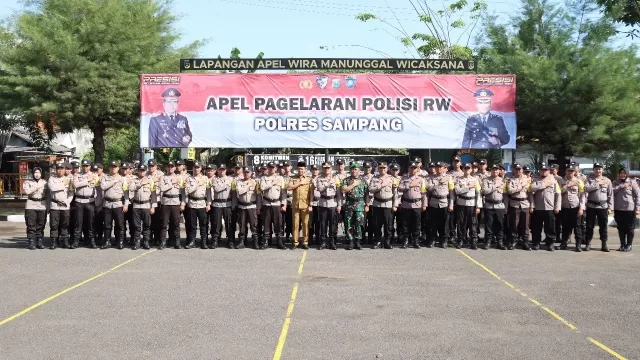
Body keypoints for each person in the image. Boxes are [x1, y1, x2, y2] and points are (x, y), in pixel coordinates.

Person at [529, 163, 561, 251]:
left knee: (550, 227)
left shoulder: (554, 181)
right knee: (536, 227)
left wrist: (557, 207)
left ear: (548, 171)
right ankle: (536, 243)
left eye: (545, 170)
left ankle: (550, 243)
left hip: (549, 207)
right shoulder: (535, 179)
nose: (543, 172)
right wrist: (544, 184)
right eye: (542, 170)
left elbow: (558, 194)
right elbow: (531, 189)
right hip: (538, 208)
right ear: (539, 171)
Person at [398, 161, 428, 249]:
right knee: (405, 224)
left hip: (417, 204)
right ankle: (406, 241)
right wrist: (409, 185)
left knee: (417, 224)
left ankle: (415, 241)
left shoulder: (421, 179)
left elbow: (424, 193)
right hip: (406, 204)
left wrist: (424, 204)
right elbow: (399, 188)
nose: (412, 169)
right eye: (411, 168)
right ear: (408, 168)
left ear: (417, 169)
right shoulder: (404, 178)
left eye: (414, 168)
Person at [584, 163, 613, 252]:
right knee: (589, 226)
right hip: (591, 206)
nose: (598, 171)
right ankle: (588, 243)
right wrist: (597, 184)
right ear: (593, 170)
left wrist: (610, 207)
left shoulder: (607, 180)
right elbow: (586, 189)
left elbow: (610, 194)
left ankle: (604, 244)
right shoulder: (589, 179)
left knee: (603, 226)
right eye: (596, 169)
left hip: (603, 206)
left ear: (602, 170)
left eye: (599, 169)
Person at [100, 161, 129, 249]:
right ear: (109, 167)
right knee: (107, 224)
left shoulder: (122, 179)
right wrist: (113, 181)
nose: (113, 168)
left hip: (118, 204)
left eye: (115, 167)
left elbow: (126, 193)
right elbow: (103, 187)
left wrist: (126, 204)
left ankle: (120, 241)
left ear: (118, 168)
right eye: (112, 166)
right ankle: (107, 241)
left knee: (120, 224)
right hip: (107, 204)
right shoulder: (105, 177)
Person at [341, 162, 370, 250]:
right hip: (349, 204)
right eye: (352, 169)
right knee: (349, 224)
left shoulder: (363, 180)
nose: (354, 171)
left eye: (356, 169)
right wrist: (353, 184)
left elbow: (366, 194)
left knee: (359, 224)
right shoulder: (346, 180)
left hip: (360, 205)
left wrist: (367, 205)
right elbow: (343, 190)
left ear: (359, 170)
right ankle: (350, 241)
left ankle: (358, 241)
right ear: (350, 170)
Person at [368, 162, 398, 249]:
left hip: (388, 204)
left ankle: (387, 241)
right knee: (377, 224)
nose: (382, 169)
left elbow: (395, 193)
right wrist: (381, 185)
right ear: (378, 168)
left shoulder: (392, 178)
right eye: (380, 168)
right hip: (377, 204)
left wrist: (395, 205)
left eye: (384, 168)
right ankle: (377, 240)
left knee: (388, 224)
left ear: (387, 169)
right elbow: (370, 189)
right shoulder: (374, 178)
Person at [314, 162, 342, 250]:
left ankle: (332, 242)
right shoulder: (319, 178)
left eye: (328, 168)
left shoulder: (336, 178)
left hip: (333, 203)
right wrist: (328, 183)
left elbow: (338, 193)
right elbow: (320, 188)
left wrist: (339, 205)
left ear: (331, 168)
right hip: (323, 203)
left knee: (333, 224)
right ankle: (323, 242)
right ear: (322, 169)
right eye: (325, 168)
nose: (326, 169)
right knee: (323, 224)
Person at [426, 162, 455, 248]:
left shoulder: (449, 178)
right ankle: (433, 239)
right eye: (437, 167)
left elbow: (451, 192)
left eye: (440, 167)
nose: (438, 169)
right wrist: (437, 182)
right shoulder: (431, 177)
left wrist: (451, 204)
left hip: (444, 202)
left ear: (444, 168)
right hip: (434, 202)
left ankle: (444, 240)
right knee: (433, 223)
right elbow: (428, 188)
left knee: (445, 223)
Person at [453, 163, 482, 249]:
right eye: (465, 168)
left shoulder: (475, 180)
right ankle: (461, 240)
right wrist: (468, 187)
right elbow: (457, 191)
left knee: (472, 223)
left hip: (472, 204)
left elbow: (478, 194)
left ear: (471, 169)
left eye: (468, 168)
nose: (466, 169)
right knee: (461, 223)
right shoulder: (458, 179)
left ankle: (473, 241)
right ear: (463, 169)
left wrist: (478, 206)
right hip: (461, 203)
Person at [259, 162, 287, 249]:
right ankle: (266, 241)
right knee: (266, 223)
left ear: (276, 168)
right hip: (267, 203)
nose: (271, 169)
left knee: (278, 223)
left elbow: (283, 192)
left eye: (273, 167)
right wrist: (272, 183)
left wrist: (284, 204)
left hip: (277, 203)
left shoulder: (280, 178)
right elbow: (262, 188)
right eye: (270, 167)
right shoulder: (264, 178)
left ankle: (279, 241)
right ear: (267, 168)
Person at [129, 164, 157, 250]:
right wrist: (140, 183)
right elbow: (131, 188)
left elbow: (154, 195)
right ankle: (137, 242)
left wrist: (153, 207)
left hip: (146, 205)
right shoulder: (134, 180)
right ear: (138, 171)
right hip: (136, 205)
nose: (142, 172)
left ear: (146, 171)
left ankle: (146, 242)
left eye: (143, 170)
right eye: (140, 170)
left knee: (147, 225)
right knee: (136, 226)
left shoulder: (150, 180)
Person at [184, 161, 211, 249]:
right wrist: (196, 185)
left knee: (203, 224)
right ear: (193, 168)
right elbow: (187, 190)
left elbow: (209, 192)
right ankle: (192, 241)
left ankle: (204, 242)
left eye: (198, 167)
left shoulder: (205, 178)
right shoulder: (189, 179)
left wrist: (208, 204)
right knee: (192, 225)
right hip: (192, 204)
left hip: (202, 204)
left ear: (201, 169)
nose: (196, 169)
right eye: (195, 167)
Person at [559, 165, 585, 251]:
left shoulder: (579, 181)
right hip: (565, 207)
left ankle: (578, 245)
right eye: (568, 171)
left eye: (571, 171)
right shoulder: (561, 181)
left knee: (577, 227)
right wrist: (567, 186)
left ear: (574, 172)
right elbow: (558, 192)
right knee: (565, 227)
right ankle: (564, 244)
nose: (570, 173)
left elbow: (582, 195)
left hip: (575, 207)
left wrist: (581, 208)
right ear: (566, 171)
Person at [612, 166, 639, 252]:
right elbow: (612, 191)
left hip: (629, 209)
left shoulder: (632, 182)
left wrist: (637, 208)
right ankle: (622, 244)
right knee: (620, 227)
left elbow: (638, 195)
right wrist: (622, 186)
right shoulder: (615, 183)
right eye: (621, 173)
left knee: (630, 228)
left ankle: (629, 245)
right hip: (618, 209)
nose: (622, 175)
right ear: (618, 174)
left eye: (624, 173)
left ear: (627, 174)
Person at [73, 159, 98, 249]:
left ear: (90, 166)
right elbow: (75, 185)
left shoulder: (94, 176)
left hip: (89, 201)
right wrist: (87, 181)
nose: (85, 167)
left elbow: (98, 186)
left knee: (91, 222)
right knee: (78, 222)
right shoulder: (77, 175)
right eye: (83, 166)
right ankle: (76, 240)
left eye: (87, 166)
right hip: (79, 201)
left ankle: (91, 240)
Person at [48, 162, 74, 249]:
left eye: (62, 169)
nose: (60, 171)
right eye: (58, 169)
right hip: (55, 205)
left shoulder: (69, 180)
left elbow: (71, 192)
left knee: (65, 224)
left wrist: (68, 201)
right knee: (54, 224)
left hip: (65, 205)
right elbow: (52, 188)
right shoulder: (52, 179)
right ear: (56, 170)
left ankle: (65, 241)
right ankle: (54, 241)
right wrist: (63, 184)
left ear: (64, 170)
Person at [506, 163, 532, 250]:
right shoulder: (510, 179)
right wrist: (521, 187)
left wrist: (532, 205)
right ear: (513, 170)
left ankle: (525, 242)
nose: (518, 171)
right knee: (514, 224)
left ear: (522, 170)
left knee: (525, 225)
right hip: (515, 203)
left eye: (519, 169)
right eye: (516, 169)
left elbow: (530, 193)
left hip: (525, 203)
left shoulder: (528, 179)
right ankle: (513, 241)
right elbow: (510, 191)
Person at [288, 161, 313, 250]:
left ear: (305, 169)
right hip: (295, 205)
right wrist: (299, 183)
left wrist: (310, 204)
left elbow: (311, 193)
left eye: (302, 169)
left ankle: (305, 242)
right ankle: (295, 242)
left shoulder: (309, 179)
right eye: (299, 169)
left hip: (305, 205)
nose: (300, 170)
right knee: (295, 224)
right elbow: (289, 187)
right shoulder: (293, 178)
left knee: (305, 224)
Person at [481, 165, 507, 250]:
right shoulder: (486, 180)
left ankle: (500, 242)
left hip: (500, 205)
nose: (495, 171)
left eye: (496, 170)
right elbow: (485, 191)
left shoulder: (503, 181)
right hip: (489, 205)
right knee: (489, 224)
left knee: (500, 224)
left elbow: (506, 195)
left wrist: (506, 206)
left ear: (499, 171)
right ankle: (488, 241)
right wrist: (495, 186)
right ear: (490, 170)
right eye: (493, 170)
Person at [159, 161, 184, 249]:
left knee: (176, 223)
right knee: (164, 224)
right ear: (166, 168)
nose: (170, 168)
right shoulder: (163, 177)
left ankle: (177, 242)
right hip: (165, 202)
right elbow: (162, 188)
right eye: (168, 166)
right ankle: (163, 242)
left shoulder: (179, 178)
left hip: (175, 202)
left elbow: (182, 192)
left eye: (172, 167)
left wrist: (183, 203)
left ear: (174, 168)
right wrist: (171, 183)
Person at [211, 164, 237, 249]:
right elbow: (216, 189)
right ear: (217, 170)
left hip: (227, 204)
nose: (222, 171)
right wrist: (226, 185)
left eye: (223, 169)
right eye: (220, 169)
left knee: (229, 223)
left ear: (226, 170)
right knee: (216, 223)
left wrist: (234, 204)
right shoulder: (214, 179)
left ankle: (230, 240)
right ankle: (215, 240)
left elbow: (233, 193)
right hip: (217, 204)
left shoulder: (231, 179)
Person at [23, 166, 48, 250]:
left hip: (42, 204)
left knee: (41, 224)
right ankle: (31, 241)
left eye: (38, 172)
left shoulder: (45, 182)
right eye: (35, 172)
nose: (37, 174)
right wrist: (36, 187)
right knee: (31, 224)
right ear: (33, 174)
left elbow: (48, 195)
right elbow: (27, 191)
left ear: (41, 174)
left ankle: (39, 240)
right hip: (31, 204)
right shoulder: (27, 182)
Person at [236, 167, 261, 249]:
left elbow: (258, 195)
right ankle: (242, 241)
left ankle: (255, 242)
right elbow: (239, 191)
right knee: (242, 225)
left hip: (252, 206)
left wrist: (258, 207)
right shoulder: (239, 182)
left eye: (248, 172)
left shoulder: (255, 182)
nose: (246, 174)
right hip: (242, 206)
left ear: (251, 173)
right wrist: (248, 187)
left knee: (254, 225)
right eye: (245, 172)